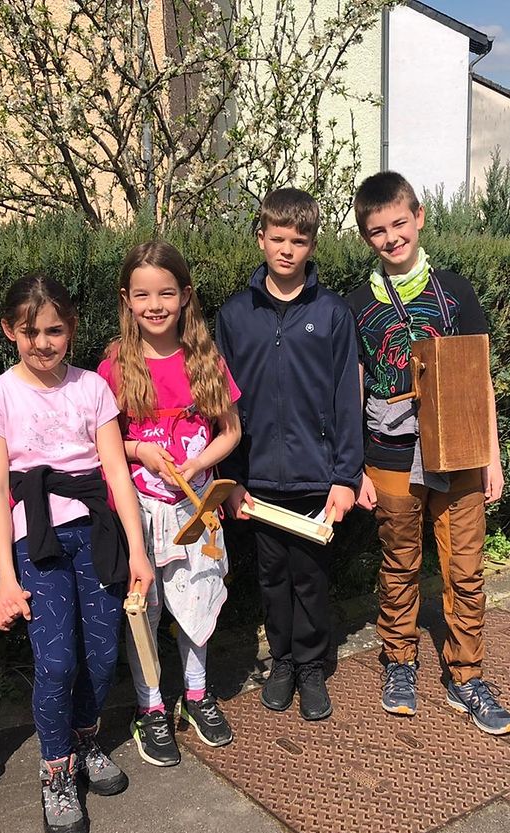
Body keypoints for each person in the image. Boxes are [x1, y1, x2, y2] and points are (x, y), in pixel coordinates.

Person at [0, 274, 153, 833]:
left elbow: (116, 471)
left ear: (71, 329)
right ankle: (56, 769)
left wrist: (138, 551)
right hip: (37, 543)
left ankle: (85, 738)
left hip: (96, 535)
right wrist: (3, 578)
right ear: (9, 331)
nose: (43, 343)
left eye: (54, 331)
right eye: (30, 333)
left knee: (102, 655)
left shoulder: (92, 388)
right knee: (55, 662)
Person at [346, 170, 510, 736]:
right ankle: (399, 662)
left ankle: (467, 676)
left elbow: (478, 377)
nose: (392, 237)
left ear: (418, 217)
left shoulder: (455, 292)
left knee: (465, 571)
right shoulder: (356, 305)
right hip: (389, 455)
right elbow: (354, 390)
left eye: (399, 223)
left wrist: (491, 456)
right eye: (378, 231)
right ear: (365, 236)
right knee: (399, 565)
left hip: (460, 452)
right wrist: (354, 467)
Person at [215, 188, 362, 721]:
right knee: (272, 577)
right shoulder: (235, 315)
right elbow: (222, 406)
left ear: (312, 245)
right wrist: (230, 478)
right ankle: (282, 662)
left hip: (315, 478)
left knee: (311, 577)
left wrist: (346, 476)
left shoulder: (332, 313)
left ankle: (311, 666)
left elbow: (347, 398)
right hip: (256, 480)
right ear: (261, 238)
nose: (286, 250)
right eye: (277, 238)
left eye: (298, 241)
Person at [97, 240, 242, 766]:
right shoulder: (115, 365)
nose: (155, 305)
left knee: (197, 599)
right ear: (127, 299)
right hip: (139, 511)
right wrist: (140, 451)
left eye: (165, 293)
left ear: (185, 295)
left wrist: (200, 463)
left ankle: (197, 695)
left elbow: (231, 431)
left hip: (194, 510)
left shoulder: (206, 360)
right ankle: (151, 706)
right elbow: (103, 442)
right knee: (147, 609)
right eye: (143, 295)